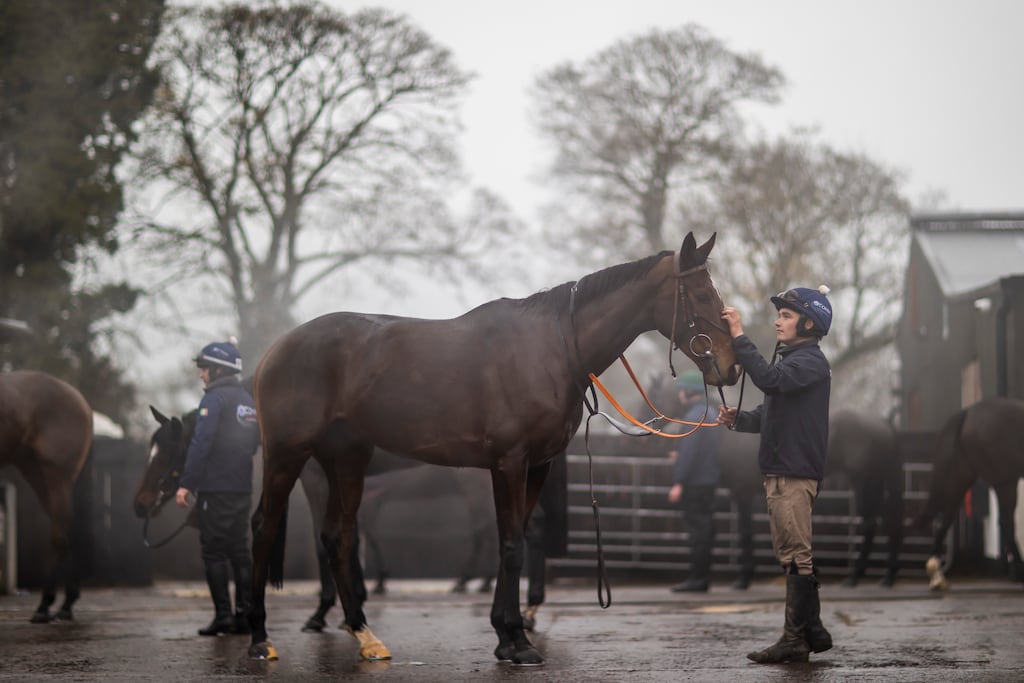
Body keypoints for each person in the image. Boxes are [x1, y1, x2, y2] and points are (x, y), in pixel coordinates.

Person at [717, 286, 834, 664]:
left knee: (797, 555)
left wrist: (738, 335)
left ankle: (795, 638)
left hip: (793, 473)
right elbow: (774, 413)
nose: (778, 321)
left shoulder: (810, 363)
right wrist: (742, 420)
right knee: (792, 555)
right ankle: (812, 630)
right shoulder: (796, 363)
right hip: (783, 471)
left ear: (809, 322)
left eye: (785, 315)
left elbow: (768, 379)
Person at [175, 339, 260, 636]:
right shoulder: (249, 401)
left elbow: (201, 444)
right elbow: (253, 444)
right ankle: (244, 616)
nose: (201, 374)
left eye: (203, 368)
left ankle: (223, 617)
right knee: (240, 550)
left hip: (215, 488)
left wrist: (186, 483)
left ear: (216, 369)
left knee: (214, 552)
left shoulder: (213, 400)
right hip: (242, 487)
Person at [666, 369, 721, 593]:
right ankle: (702, 577)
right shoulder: (710, 412)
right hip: (709, 479)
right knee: (705, 529)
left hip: (695, 483)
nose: (679, 395)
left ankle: (697, 579)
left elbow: (690, 452)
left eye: (681, 391)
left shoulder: (692, 416)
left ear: (689, 392)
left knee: (697, 532)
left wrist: (678, 482)